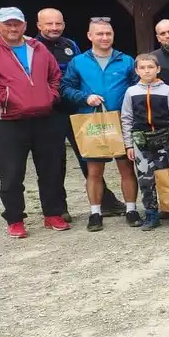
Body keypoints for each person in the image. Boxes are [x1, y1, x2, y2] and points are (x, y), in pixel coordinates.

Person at [0, 7, 69, 237]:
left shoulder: (37, 47)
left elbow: (55, 76)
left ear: (25, 25)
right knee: (11, 174)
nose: (13, 28)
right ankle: (15, 219)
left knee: (50, 170)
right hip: (9, 120)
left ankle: (53, 214)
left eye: (17, 23)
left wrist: (50, 96)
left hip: (44, 118)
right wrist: (7, 99)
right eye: (7, 24)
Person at [36, 7, 124, 220]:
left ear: (64, 25)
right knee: (53, 162)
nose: (54, 27)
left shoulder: (70, 45)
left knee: (91, 157)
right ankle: (57, 209)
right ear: (39, 25)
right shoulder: (32, 47)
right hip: (49, 112)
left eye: (58, 23)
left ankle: (106, 202)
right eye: (49, 24)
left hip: (77, 109)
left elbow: (80, 74)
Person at [60, 18, 139, 232]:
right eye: (99, 34)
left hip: (121, 121)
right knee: (94, 171)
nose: (104, 37)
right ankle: (95, 213)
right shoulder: (78, 62)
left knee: (126, 168)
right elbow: (65, 88)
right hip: (92, 122)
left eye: (108, 34)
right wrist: (84, 98)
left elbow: (137, 86)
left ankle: (131, 210)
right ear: (90, 36)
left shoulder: (126, 61)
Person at [120, 54, 169, 231]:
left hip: (165, 139)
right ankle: (151, 213)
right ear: (136, 70)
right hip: (141, 142)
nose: (147, 71)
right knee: (146, 179)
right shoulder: (131, 92)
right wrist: (129, 144)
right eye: (142, 68)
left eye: (150, 67)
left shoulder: (168, 91)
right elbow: (126, 118)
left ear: (158, 69)